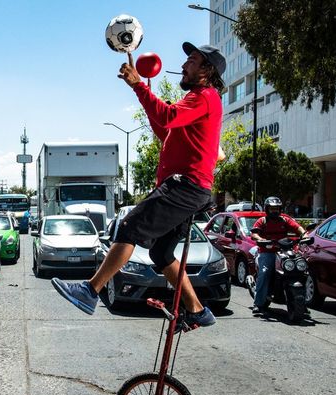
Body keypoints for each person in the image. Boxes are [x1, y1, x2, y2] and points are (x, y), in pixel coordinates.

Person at [51, 42, 226, 329]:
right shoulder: (200, 100)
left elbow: (168, 116)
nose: (183, 66)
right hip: (192, 188)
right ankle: (197, 310)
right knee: (160, 253)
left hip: (185, 186)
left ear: (207, 70)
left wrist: (138, 88)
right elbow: (166, 129)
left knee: (130, 226)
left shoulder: (204, 96)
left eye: (191, 61)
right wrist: (143, 94)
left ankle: (89, 291)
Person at [249, 196, 306, 313]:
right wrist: (261, 239)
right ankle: (258, 303)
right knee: (264, 273)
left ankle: (302, 304)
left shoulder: (285, 220)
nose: (274, 211)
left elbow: (298, 227)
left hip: (284, 251)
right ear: (267, 209)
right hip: (267, 251)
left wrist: (304, 235)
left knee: (301, 271)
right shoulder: (262, 221)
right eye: (272, 209)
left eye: (277, 209)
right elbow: (254, 234)